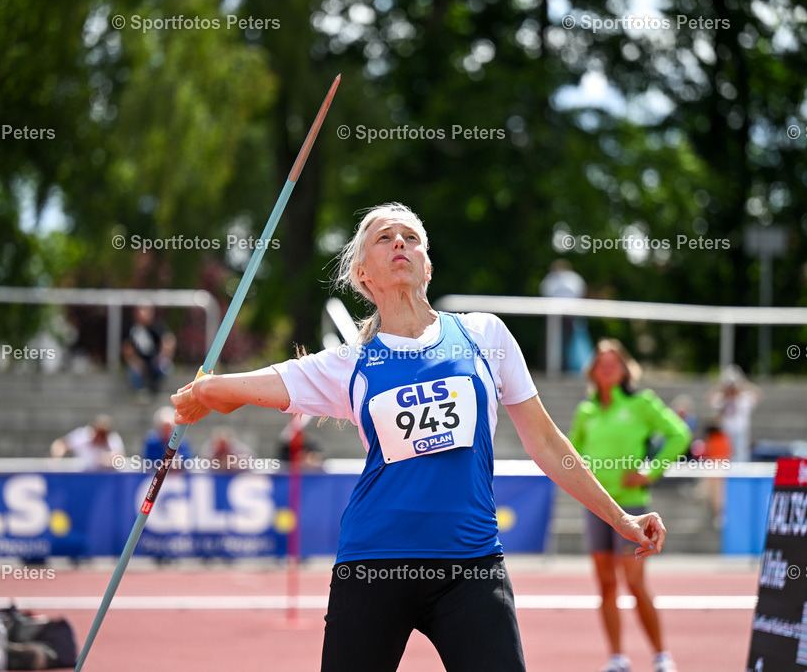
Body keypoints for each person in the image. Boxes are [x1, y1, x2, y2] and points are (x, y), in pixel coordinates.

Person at [171, 203, 667, 672]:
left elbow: (545, 442)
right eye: (384, 238)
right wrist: (207, 389)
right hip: (374, 564)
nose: (400, 243)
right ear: (363, 274)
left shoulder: (484, 337)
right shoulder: (348, 364)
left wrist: (620, 517)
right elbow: (254, 386)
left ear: (428, 266)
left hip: (470, 566)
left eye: (412, 237)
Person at [567, 339, 691, 672]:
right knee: (606, 585)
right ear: (592, 370)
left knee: (635, 583)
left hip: (632, 508)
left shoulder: (642, 403)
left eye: (614, 362)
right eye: (601, 363)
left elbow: (679, 434)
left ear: (624, 368)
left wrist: (650, 471)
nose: (607, 368)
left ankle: (662, 656)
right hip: (597, 509)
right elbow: (571, 457)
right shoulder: (586, 411)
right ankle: (617, 658)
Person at [539, 259, 589, 373]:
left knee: (568, 342)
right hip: (553, 317)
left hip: (570, 316)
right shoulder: (551, 280)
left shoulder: (574, 279)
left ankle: (565, 368)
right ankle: (548, 368)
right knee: (551, 342)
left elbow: (580, 295)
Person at [706, 364, 761, 462]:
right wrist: (721, 386)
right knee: (726, 455)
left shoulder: (744, 398)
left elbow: (758, 395)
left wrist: (743, 384)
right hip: (726, 430)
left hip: (742, 430)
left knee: (742, 455)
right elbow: (709, 401)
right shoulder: (722, 399)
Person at [122, 303, 176, 399]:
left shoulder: (156, 326)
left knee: (165, 366)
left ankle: (155, 388)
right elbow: (127, 347)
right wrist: (137, 360)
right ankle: (140, 390)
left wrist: (162, 355)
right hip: (138, 360)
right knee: (135, 368)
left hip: (154, 360)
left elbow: (169, 339)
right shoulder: (131, 328)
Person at [49, 415, 124, 470]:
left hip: (105, 479)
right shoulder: (84, 435)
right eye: (99, 432)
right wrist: (56, 456)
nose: (100, 437)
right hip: (84, 475)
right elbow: (60, 444)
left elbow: (120, 458)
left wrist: (107, 459)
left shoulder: (113, 439)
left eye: (103, 434)